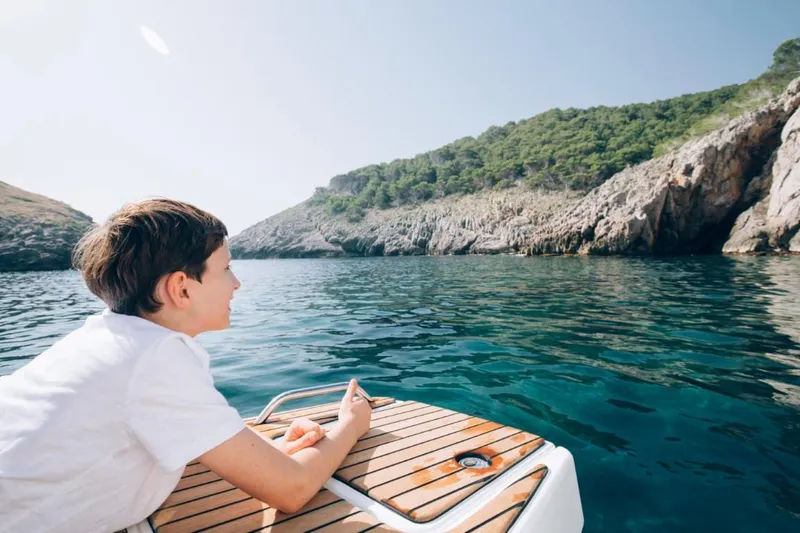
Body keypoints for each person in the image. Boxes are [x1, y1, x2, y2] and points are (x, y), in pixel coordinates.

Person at [0, 199, 372, 532]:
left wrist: (267, 448)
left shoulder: (108, 339)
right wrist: (351, 426)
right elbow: (292, 490)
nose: (238, 283)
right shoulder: (155, 359)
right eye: (226, 268)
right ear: (181, 289)